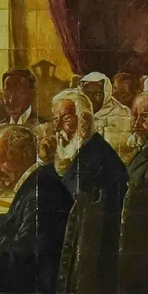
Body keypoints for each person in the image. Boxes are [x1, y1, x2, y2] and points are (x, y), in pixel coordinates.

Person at [0, 124, 73, 294]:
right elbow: (20, 222)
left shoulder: (41, 192)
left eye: (1, 159)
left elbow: (25, 256)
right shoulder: (38, 182)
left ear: (25, 154)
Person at [53, 87, 128, 216]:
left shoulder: (98, 157)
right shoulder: (79, 152)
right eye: (55, 119)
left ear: (85, 121)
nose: (57, 127)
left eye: (66, 119)